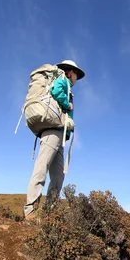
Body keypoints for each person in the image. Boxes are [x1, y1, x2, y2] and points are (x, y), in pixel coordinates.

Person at [24, 59, 85, 220]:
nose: (76, 79)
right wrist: (67, 104)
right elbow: (56, 91)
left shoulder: (68, 85)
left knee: (58, 176)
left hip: (59, 134)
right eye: (76, 75)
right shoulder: (62, 80)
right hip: (53, 131)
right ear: (70, 72)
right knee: (41, 167)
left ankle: (49, 212)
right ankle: (30, 209)